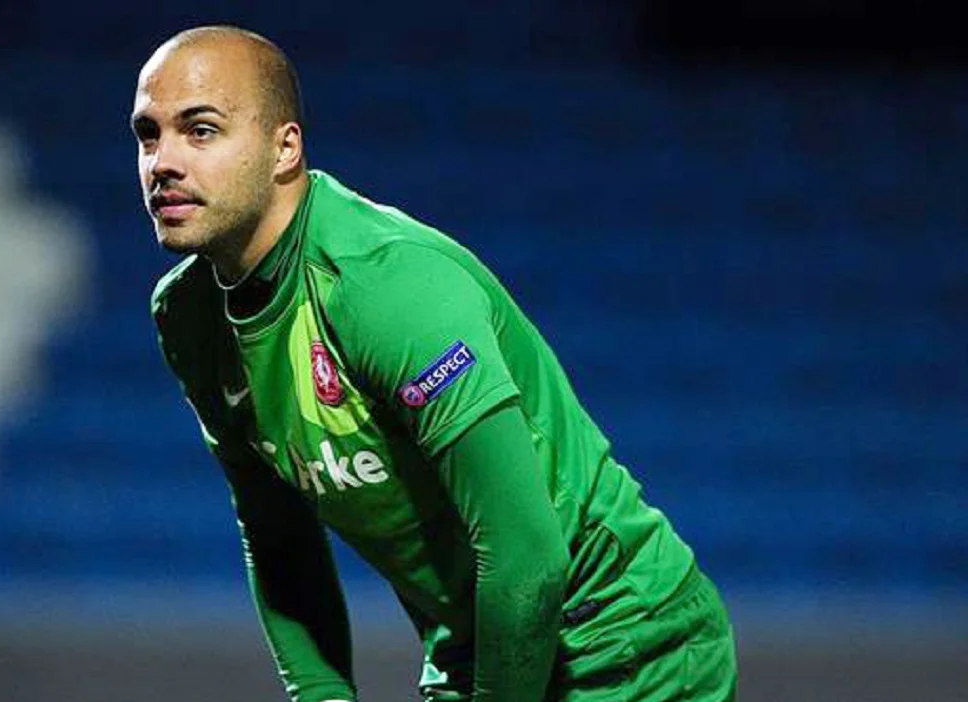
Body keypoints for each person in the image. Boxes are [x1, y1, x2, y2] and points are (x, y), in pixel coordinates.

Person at [136, 25, 738, 702]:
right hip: (477, 647)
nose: (163, 162)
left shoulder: (383, 284)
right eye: (148, 135)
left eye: (201, 130)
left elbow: (526, 553)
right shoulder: (187, 317)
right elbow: (277, 536)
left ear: (285, 148)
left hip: (626, 646)